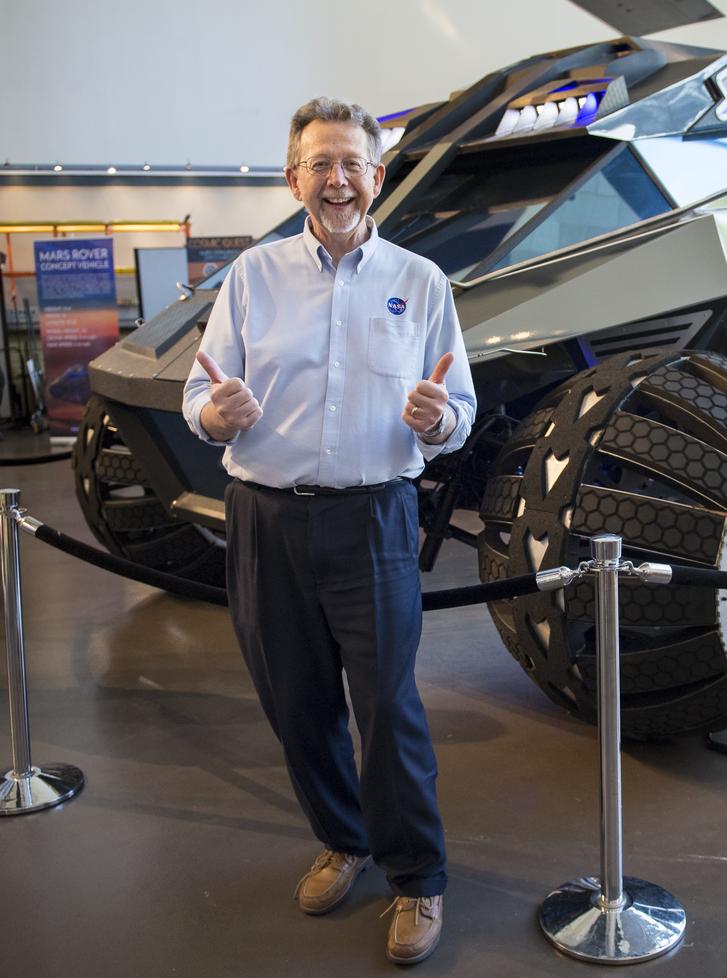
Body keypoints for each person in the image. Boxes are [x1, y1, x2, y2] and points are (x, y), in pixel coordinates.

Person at [182, 96, 475, 966]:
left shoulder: (420, 280)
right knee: (295, 702)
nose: (337, 179)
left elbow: (458, 408)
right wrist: (216, 416)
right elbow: (200, 395)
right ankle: (343, 840)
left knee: (388, 707)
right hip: (265, 518)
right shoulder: (252, 276)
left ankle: (417, 878)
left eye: (352, 163)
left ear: (376, 176)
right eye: (320, 164)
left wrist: (438, 422)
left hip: (374, 517)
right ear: (294, 178)